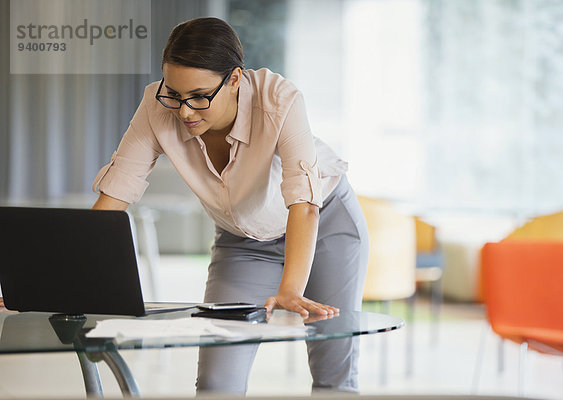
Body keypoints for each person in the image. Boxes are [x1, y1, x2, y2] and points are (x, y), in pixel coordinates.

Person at [91, 17, 368, 394]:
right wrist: (53, 284)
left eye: (200, 96)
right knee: (216, 380)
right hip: (242, 242)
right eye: (174, 93)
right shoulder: (157, 107)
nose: (185, 111)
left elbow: (304, 202)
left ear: (235, 79)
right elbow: (114, 196)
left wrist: (290, 287)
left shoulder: (279, 99)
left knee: (332, 372)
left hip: (325, 225)